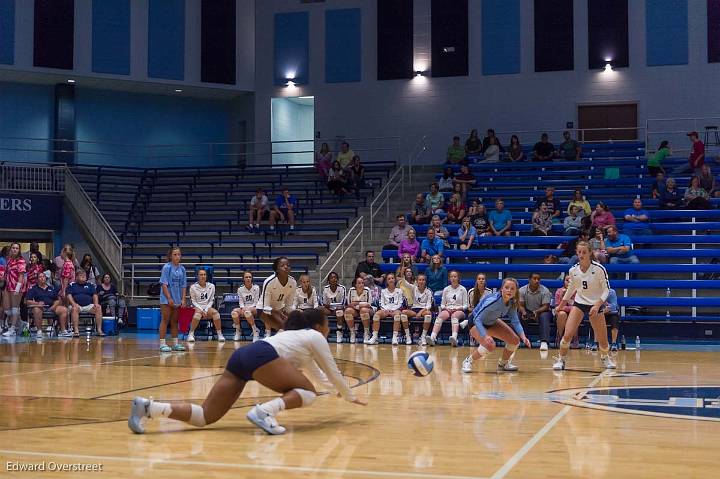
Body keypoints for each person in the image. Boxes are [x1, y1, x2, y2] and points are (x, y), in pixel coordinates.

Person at [128, 308, 367, 436]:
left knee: (205, 417)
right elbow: (332, 371)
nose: (328, 328)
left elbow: (320, 375)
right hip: (260, 355)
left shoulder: (299, 339)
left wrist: (336, 390)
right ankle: (263, 413)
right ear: (318, 326)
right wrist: (349, 395)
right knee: (308, 394)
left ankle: (148, 408)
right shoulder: (315, 336)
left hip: (242, 356)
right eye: (327, 324)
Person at [553, 241, 616, 370]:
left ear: (590, 253)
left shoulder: (599, 269)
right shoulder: (573, 270)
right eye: (579, 252)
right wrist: (561, 305)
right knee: (567, 334)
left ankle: (605, 357)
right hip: (579, 303)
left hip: (595, 305)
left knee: (603, 340)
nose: (581, 255)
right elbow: (571, 289)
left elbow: (606, 290)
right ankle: (561, 359)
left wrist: (598, 305)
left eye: (584, 252)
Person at [461, 278, 531, 373]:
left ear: (516, 291)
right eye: (506, 287)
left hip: (492, 321)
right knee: (490, 345)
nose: (509, 290)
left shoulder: (512, 302)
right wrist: (485, 335)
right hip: (475, 322)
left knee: (515, 341)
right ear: (502, 289)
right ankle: (468, 360)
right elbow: (477, 319)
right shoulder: (492, 300)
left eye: (512, 288)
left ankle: (503, 363)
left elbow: (515, 321)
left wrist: (524, 337)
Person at [427, 270, 467, 347]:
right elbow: (442, 304)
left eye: (455, 276)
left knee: (454, 316)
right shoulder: (446, 289)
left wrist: (458, 308)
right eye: (451, 277)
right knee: (440, 316)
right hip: (448, 309)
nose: (453, 278)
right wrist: (446, 308)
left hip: (459, 310)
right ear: (449, 279)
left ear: (458, 278)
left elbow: (465, 305)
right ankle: (433, 337)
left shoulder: (463, 289)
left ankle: (454, 338)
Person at [258, 257, 297, 336]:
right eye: (282, 265)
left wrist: (295, 313)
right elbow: (265, 307)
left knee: (292, 325)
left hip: (279, 310)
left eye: (288, 265)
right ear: (277, 269)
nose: (286, 267)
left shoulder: (293, 282)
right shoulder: (269, 282)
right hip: (263, 310)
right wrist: (277, 313)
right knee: (282, 326)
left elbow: (288, 307)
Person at [366, 273, 408, 345]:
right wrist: (387, 310)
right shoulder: (383, 291)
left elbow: (400, 303)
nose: (391, 280)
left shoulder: (399, 291)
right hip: (385, 310)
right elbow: (381, 303)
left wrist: (393, 310)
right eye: (389, 279)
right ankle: (374, 337)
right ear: (386, 281)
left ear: (395, 280)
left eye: (392, 278)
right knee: (376, 315)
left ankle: (395, 337)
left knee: (397, 315)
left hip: (396, 310)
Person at [26, 271, 69, 338]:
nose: (42, 278)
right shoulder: (33, 289)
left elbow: (57, 300)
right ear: (37, 280)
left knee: (64, 309)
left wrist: (54, 306)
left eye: (43, 277)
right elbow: (28, 301)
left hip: (51, 307)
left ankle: (63, 330)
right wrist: (37, 303)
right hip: (40, 307)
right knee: (36, 309)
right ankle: (39, 331)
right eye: (40, 277)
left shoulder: (51, 288)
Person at [158, 247, 186, 352]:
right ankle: (162, 344)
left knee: (175, 321)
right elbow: (164, 284)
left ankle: (175, 344)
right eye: (175, 254)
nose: (177, 256)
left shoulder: (182, 269)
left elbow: (183, 285)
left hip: (177, 298)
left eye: (179, 254)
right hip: (166, 299)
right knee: (165, 320)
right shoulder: (167, 267)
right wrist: (169, 298)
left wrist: (183, 299)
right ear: (170, 256)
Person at [187, 268, 224, 342]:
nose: (203, 276)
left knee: (216, 313)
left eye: (204, 275)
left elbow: (211, 300)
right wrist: (201, 309)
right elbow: (193, 301)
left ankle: (219, 334)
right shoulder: (193, 287)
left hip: (207, 307)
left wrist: (206, 309)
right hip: (196, 307)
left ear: (206, 276)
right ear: (197, 276)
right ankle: (190, 334)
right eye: (201, 275)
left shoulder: (211, 286)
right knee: (198, 314)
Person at [519, 273, 553, 351]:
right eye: (534, 279)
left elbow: (546, 306)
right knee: (519, 313)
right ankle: (523, 340)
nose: (537, 281)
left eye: (538, 279)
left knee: (544, 315)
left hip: (541, 311)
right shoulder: (521, 290)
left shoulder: (545, 290)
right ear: (529, 280)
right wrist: (524, 312)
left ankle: (544, 342)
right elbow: (520, 305)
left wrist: (536, 312)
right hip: (527, 310)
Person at [67, 269, 105, 337]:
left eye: (84, 275)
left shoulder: (90, 284)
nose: (83, 276)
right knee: (74, 309)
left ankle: (99, 330)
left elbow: (95, 295)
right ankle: (76, 330)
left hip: (88, 306)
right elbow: (69, 295)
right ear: (76, 277)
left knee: (98, 308)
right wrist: (74, 304)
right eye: (81, 275)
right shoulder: (72, 285)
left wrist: (96, 303)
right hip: (77, 305)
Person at [1, 243, 26, 338]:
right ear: (10, 249)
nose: (14, 250)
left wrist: (17, 288)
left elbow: (21, 275)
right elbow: (6, 273)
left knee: (15, 308)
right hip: (8, 285)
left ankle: (12, 329)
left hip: (17, 286)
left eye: (17, 248)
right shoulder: (9, 260)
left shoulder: (21, 261)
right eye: (13, 248)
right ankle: (21, 323)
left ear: (19, 250)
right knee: (6, 308)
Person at [402, 273, 434, 346]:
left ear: (425, 281)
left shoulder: (429, 291)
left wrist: (421, 312)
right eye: (420, 280)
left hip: (424, 310)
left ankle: (423, 337)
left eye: (423, 280)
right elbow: (405, 283)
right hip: (414, 309)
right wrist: (402, 272)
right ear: (417, 281)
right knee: (403, 312)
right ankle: (408, 336)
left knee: (428, 313)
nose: (421, 281)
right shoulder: (414, 288)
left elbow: (429, 305)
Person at [231, 271, 260, 342]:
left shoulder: (256, 288)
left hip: (254, 308)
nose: (248, 278)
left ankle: (255, 332)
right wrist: (243, 307)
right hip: (244, 308)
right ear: (243, 279)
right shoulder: (240, 289)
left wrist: (248, 308)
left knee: (247, 312)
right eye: (246, 277)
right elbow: (240, 301)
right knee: (234, 313)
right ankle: (238, 331)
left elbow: (256, 302)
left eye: (250, 277)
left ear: (252, 278)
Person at [344, 276, 373, 344]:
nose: (361, 284)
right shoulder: (351, 290)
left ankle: (366, 332)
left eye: (362, 283)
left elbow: (368, 304)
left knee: (363, 310)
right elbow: (350, 304)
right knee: (347, 311)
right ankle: (352, 332)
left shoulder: (367, 290)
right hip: (356, 310)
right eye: (359, 283)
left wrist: (356, 303)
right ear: (355, 284)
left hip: (368, 310)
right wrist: (361, 304)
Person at [321, 271, 347, 341]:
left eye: (335, 277)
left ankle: (339, 331)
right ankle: (323, 330)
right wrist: (331, 306)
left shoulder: (342, 288)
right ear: (328, 280)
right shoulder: (325, 288)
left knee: (339, 311)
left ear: (337, 279)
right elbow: (324, 303)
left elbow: (343, 303)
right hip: (329, 309)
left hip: (339, 309)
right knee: (320, 310)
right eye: (331, 278)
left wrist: (333, 306)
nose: (333, 279)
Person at [553, 275, 577, 349]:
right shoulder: (559, 291)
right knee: (562, 314)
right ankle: (559, 337)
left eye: (570, 281)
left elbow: (576, 307)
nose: (568, 282)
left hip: (574, 313)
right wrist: (562, 296)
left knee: (575, 314)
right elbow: (557, 308)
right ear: (564, 281)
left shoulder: (577, 292)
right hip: (561, 314)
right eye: (567, 280)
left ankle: (574, 338)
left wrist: (564, 308)